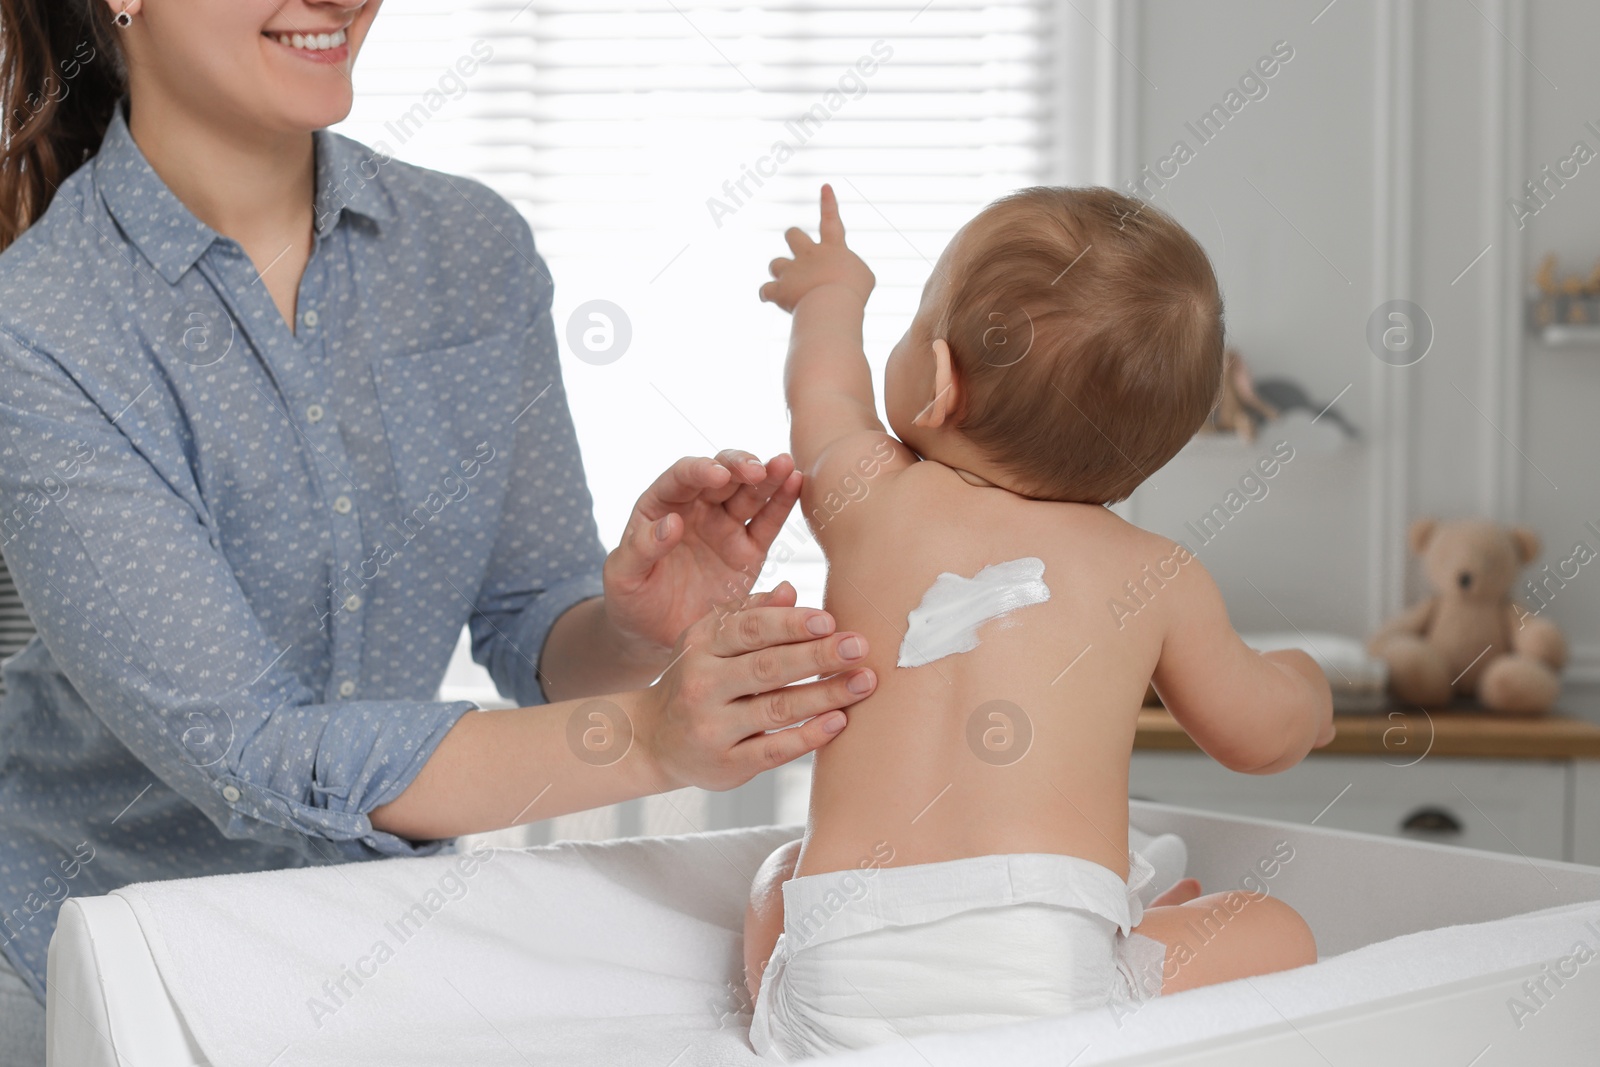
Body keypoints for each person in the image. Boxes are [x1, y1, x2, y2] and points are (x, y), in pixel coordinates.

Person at [0, 3, 880, 1062]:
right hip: (89, 954)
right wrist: (648, 737)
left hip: (373, 939)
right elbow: (252, 751)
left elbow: (532, 620)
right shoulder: (38, 327)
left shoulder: (473, 251)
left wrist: (636, 628)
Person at [741, 185, 1335, 1057]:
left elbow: (822, 385)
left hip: (834, 980)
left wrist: (833, 293)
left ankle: (787, 986)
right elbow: (1258, 735)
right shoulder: (1154, 573)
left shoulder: (872, 498)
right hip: (1056, 989)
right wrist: (1308, 691)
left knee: (776, 876)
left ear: (939, 383)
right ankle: (1129, 944)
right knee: (1278, 929)